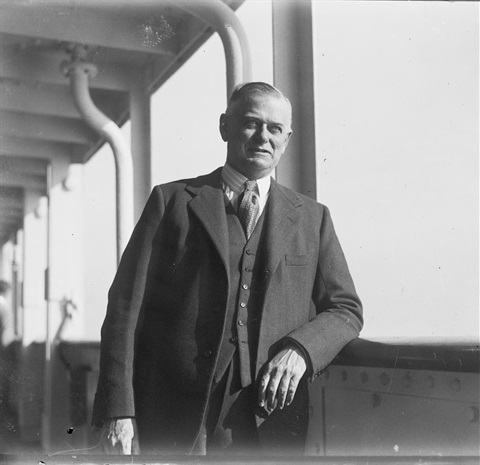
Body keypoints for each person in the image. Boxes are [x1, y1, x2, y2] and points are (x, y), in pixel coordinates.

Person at [92, 82, 363, 456]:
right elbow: (124, 310)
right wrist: (118, 412)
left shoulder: (313, 219)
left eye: (275, 128)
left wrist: (301, 350)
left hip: (271, 420)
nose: (263, 137)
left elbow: (345, 309)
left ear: (287, 138)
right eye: (251, 123)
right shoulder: (170, 203)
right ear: (225, 126)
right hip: (175, 418)